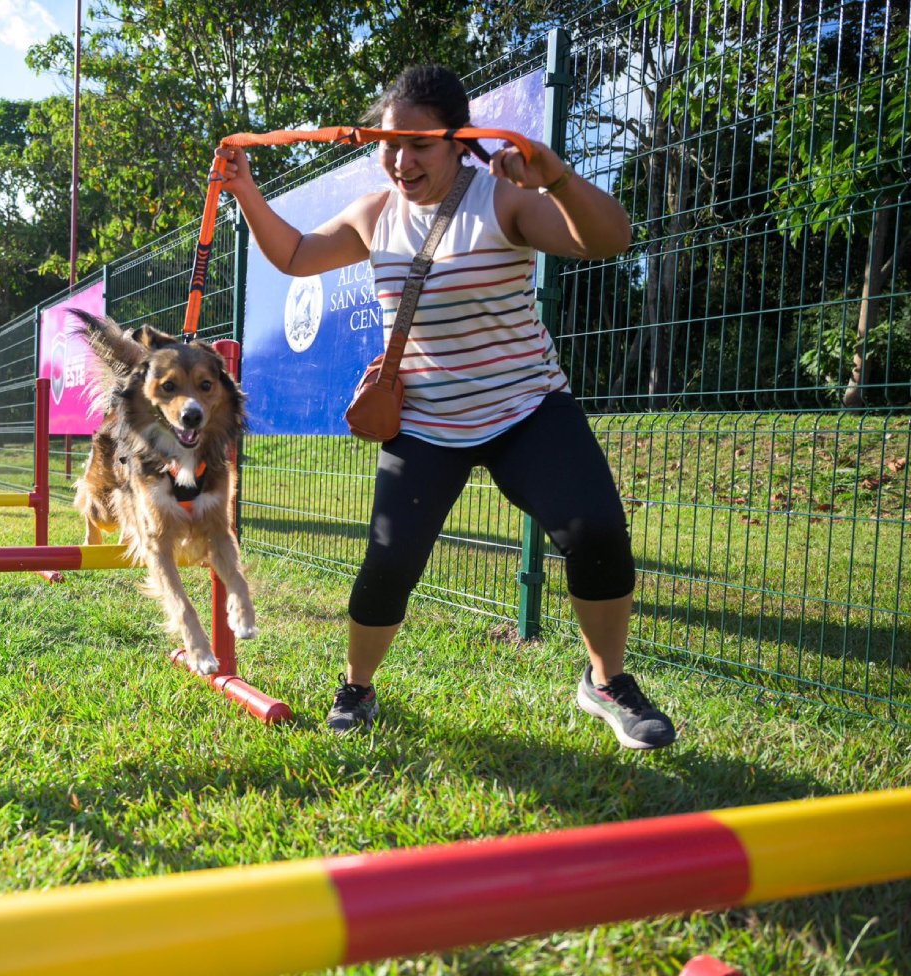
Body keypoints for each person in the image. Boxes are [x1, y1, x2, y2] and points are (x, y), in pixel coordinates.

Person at [215, 65, 675, 749]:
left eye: (420, 146)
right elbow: (296, 254)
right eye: (389, 144)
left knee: (597, 531)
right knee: (388, 564)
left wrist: (555, 178)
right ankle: (357, 687)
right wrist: (245, 190)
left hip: (527, 408)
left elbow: (610, 239)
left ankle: (605, 681)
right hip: (427, 423)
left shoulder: (501, 199)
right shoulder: (377, 215)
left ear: (459, 143)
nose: (401, 161)